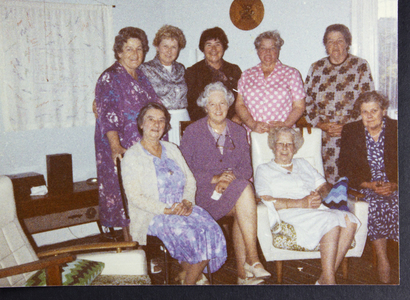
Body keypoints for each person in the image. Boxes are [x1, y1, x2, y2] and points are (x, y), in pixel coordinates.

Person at [121, 102, 227, 285]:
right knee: (194, 236)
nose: (156, 124)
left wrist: (187, 202)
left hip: (182, 207)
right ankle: (191, 283)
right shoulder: (132, 156)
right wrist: (168, 209)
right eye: (151, 119)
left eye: (161, 120)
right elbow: (135, 197)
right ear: (141, 124)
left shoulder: (172, 149)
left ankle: (190, 276)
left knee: (210, 229)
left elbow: (190, 180)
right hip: (154, 214)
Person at [180, 82, 270, 285]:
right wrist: (215, 178)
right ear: (205, 107)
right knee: (244, 196)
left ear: (229, 105)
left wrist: (227, 177)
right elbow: (185, 171)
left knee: (243, 192)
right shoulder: (193, 132)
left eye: (222, 103)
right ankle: (249, 264)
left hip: (231, 190)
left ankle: (247, 269)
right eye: (213, 104)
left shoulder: (238, 131)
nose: (219, 108)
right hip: (202, 195)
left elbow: (246, 169)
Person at [255, 127, 360, 285]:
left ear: (295, 148)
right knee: (330, 221)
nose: (285, 148)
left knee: (350, 220)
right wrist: (301, 202)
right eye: (280, 143)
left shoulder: (303, 163)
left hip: (315, 210)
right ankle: (330, 283)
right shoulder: (264, 169)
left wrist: (322, 195)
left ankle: (324, 279)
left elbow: (323, 187)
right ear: (273, 146)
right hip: (288, 212)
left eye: (289, 144)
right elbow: (265, 199)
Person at [94, 27, 162, 230]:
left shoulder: (141, 75)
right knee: (125, 195)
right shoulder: (109, 78)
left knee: (142, 193)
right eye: (129, 49)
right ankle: (128, 245)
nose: (135, 54)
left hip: (143, 146)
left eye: (139, 49)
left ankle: (144, 244)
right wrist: (116, 147)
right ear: (119, 52)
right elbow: (107, 116)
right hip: (120, 145)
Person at [338, 91, 398, 283]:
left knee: (398, 201)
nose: (370, 116)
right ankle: (383, 260)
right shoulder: (351, 131)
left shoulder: (398, 129)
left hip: (397, 184)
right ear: (360, 113)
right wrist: (369, 184)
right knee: (376, 202)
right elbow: (345, 168)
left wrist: (395, 185)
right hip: (365, 186)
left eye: (374, 110)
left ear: (384, 110)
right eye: (365, 112)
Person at [304, 23, 374, 183]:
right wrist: (321, 124)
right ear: (325, 45)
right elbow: (306, 101)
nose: (335, 45)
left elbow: (368, 102)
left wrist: (347, 127)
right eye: (330, 41)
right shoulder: (316, 68)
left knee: (352, 181)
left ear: (348, 43)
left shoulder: (360, 66)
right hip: (323, 136)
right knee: (324, 184)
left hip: (353, 134)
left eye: (340, 40)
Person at [236, 30, 306, 137]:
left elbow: (299, 106)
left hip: (282, 135)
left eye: (272, 48)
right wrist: (253, 125)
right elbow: (240, 105)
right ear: (257, 50)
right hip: (252, 134)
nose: (267, 52)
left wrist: (286, 124)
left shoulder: (291, 74)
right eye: (263, 48)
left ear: (278, 50)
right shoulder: (246, 75)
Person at [140, 25, 189, 145]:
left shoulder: (181, 69)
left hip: (183, 119)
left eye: (174, 47)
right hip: (160, 122)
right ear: (157, 47)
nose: (169, 51)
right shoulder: (145, 69)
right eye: (165, 46)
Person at [185, 27, 242, 123]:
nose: (213, 49)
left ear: (223, 47)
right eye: (208, 45)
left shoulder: (234, 70)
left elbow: (242, 100)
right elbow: (191, 106)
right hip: (204, 124)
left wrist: (238, 116)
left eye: (217, 44)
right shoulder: (193, 72)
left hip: (232, 123)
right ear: (203, 48)